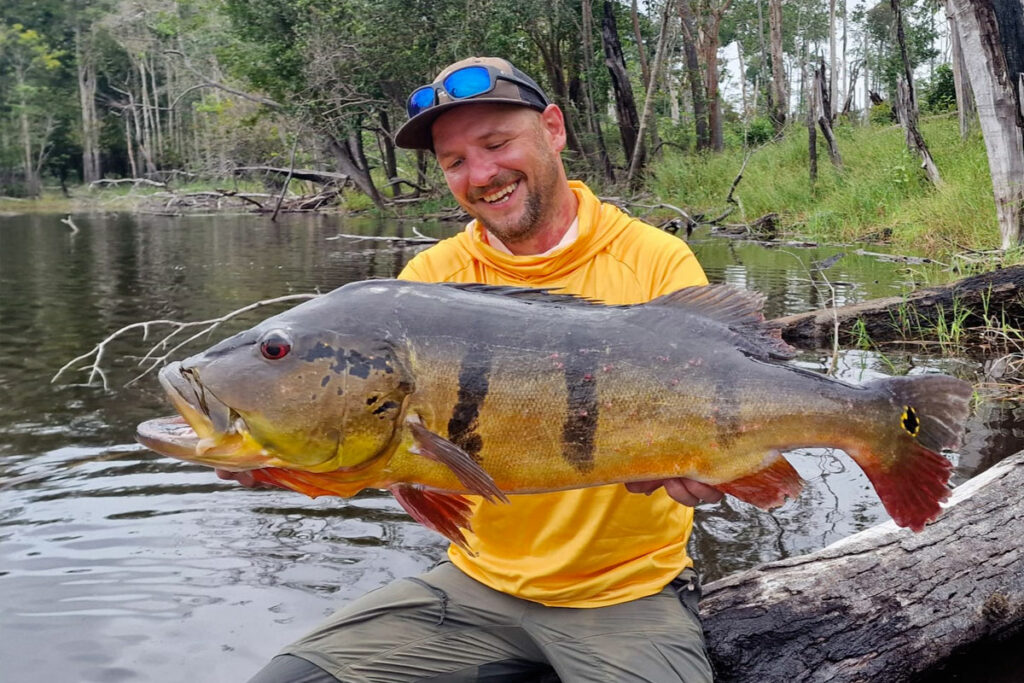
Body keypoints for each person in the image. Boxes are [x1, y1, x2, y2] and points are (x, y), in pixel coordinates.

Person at [241, 57, 722, 682]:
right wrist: (281, 465)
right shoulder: (427, 283)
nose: (483, 174)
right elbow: (390, 459)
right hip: (474, 588)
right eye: (455, 162)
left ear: (552, 129)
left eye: (496, 144)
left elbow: (723, 398)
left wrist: (716, 471)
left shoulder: (655, 261)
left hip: (624, 595)